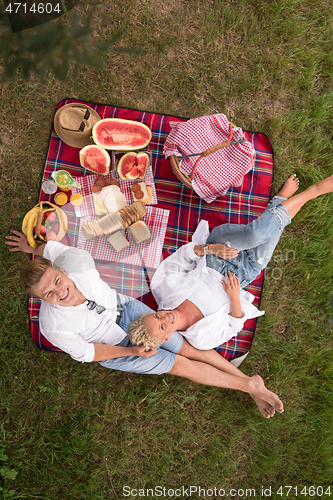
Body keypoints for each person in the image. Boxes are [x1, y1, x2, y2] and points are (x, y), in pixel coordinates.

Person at [6, 228, 286, 420]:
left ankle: (250, 383)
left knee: (187, 348)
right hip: (112, 346)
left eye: (57, 281)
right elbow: (89, 353)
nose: (59, 293)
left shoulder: (74, 260)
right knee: (180, 365)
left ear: (63, 270)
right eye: (48, 295)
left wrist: (31, 248)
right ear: (42, 299)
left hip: (126, 308)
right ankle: (250, 387)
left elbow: (51, 249)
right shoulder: (51, 325)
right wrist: (131, 352)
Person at [129, 174, 333, 353]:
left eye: (157, 317)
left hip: (217, 254)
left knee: (255, 235)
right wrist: (235, 299)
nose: (165, 318)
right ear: (166, 339)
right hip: (245, 273)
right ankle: (279, 201)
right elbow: (233, 327)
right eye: (162, 327)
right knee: (269, 236)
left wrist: (211, 249)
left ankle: (312, 192)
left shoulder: (163, 289)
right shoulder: (200, 339)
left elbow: (183, 256)